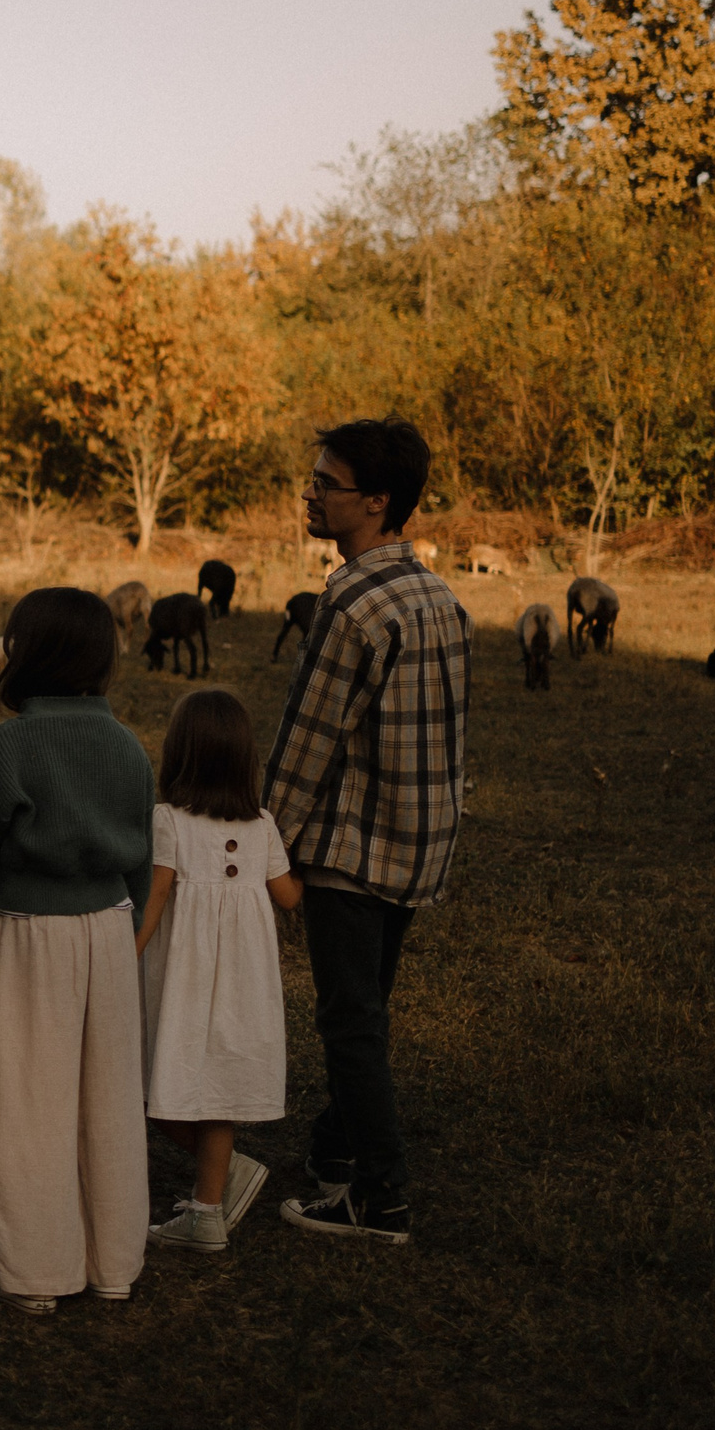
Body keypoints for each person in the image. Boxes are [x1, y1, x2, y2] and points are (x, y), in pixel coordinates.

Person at [266, 416, 470, 1245]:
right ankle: (335, 1149)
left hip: (351, 848)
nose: (310, 494)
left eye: (327, 483)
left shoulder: (350, 603)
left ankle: (379, 1199)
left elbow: (306, 743)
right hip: (419, 843)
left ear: (377, 501)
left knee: (350, 1023)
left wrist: (262, 847)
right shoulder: (439, 596)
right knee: (366, 1009)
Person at [0, 586, 154, 1314]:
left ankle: (35, 1270)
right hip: (111, 930)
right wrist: (124, 932)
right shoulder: (128, 745)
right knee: (111, 1097)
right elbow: (143, 859)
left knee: (31, 1096)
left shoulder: (4, 747)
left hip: (32, 931)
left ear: (25, 654)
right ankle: (113, 1262)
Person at [137, 687, 305, 1253]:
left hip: (183, 981)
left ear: (179, 753)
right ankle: (209, 1205)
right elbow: (288, 896)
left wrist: (123, 957)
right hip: (243, 983)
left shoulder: (168, 820)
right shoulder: (263, 825)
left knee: (154, 1083)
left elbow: (156, 897)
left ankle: (216, 1194)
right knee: (218, 1093)